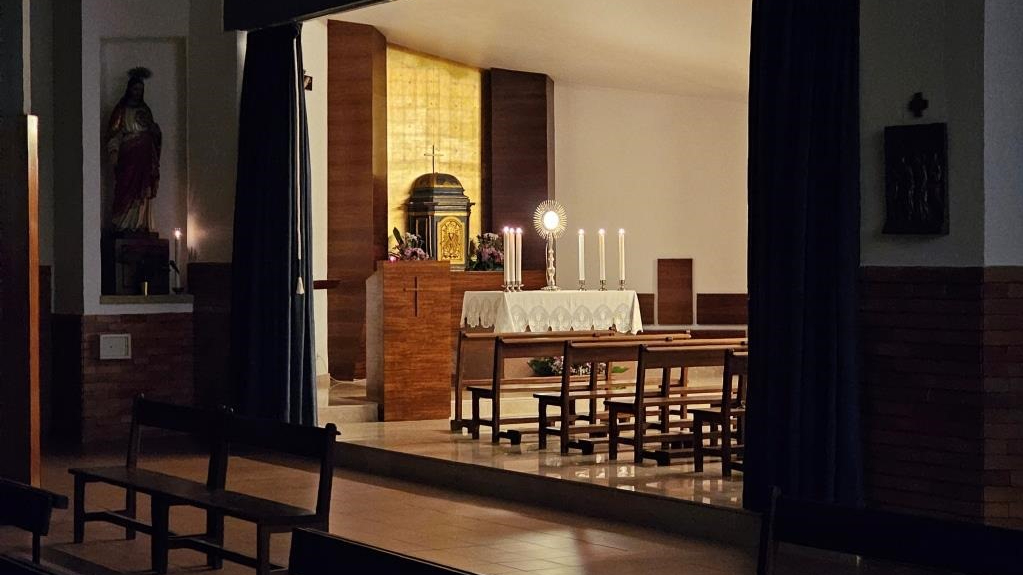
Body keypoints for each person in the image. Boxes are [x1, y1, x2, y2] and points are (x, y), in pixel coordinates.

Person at [107, 67, 162, 232]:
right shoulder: (121, 110)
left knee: (142, 189)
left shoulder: (146, 110)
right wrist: (114, 152)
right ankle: (123, 222)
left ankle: (140, 223)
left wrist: (155, 132)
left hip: (145, 157)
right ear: (129, 89)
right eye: (135, 89)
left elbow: (153, 132)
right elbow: (113, 134)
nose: (137, 93)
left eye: (140, 90)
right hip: (129, 156)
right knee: (126, 187)